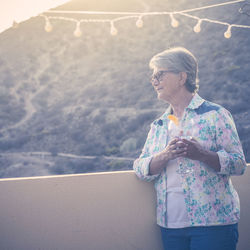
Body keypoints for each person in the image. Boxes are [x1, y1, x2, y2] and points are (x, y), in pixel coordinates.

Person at [133, 47, 246, 250]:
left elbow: (238, 164)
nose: (154, 81)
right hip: (170, 226)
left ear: (181, 77)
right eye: (152, 76)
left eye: (159, 74)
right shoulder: (158, 125)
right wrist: (164, 155)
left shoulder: (216, 115)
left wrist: (201, 154)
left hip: (213, 224)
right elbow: (140, 168)